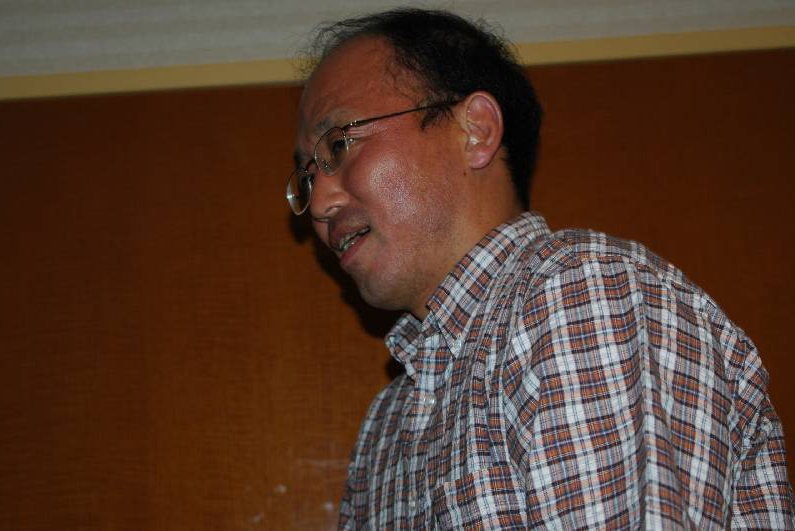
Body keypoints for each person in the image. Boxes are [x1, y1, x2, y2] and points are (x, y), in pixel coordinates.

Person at [286, 8, 795, 529]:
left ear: (476, 130)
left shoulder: (578, 294)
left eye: (338, 145)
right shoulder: (385, 424)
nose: (319, 204)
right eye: (305, 178)